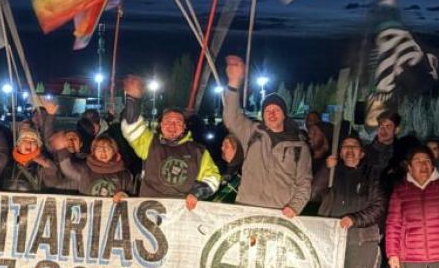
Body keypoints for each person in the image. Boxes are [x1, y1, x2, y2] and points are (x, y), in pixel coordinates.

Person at [317, 134, 385, 268]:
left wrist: (355, 219)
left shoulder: (372, 175)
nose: (349, 150)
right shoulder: (333, 172)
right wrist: (326, 169)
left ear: (362, 153)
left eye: (354, 146)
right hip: (332, 236)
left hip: (361, 237)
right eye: (345, 146)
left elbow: (378, 206)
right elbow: (313, 192)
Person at [221, 55, 311, 216]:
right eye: (267, 110)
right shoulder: (252, 132)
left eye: (276, 110)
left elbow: (304, 182)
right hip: (247, 208)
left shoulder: (300, 146)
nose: (272, 114)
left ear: (284, 114)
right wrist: (233, 84)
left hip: (279, 213)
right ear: (262, 115)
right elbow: (231, 118)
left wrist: (295, 207)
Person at [119, 75, 219, 209]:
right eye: (167, 121)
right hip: (149, 209)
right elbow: (131, 126)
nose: (172, 126)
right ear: (160, 125)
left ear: (184, 126)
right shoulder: (149, 143)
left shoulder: (198, 151)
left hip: (181, 213)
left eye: (177, 122)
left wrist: (197, 193)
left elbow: (212, 178)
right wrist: (133, 99)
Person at [54, 133, 135, 199]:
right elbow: (66, 168)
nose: (103, 152)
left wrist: (124, 196)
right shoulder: (84, 170)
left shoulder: (124, 175)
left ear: (114, 151)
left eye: (107, 149)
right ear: (93, 152)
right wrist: (63, 148)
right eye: (99, 149)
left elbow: (133, 198)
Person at [2, 126, 61, 192]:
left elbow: (52, 184)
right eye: (24, 140)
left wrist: (47, 165)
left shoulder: (41, 166)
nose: (29, 143)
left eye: (33, 141)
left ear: (38, 146)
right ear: (18, 145)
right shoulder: (8, 163)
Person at [211, 134, 243, 203]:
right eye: (222, 145)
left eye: (226, 146)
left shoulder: (244, 171)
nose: (222, 148)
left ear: (237, 149)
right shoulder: (221, 168)